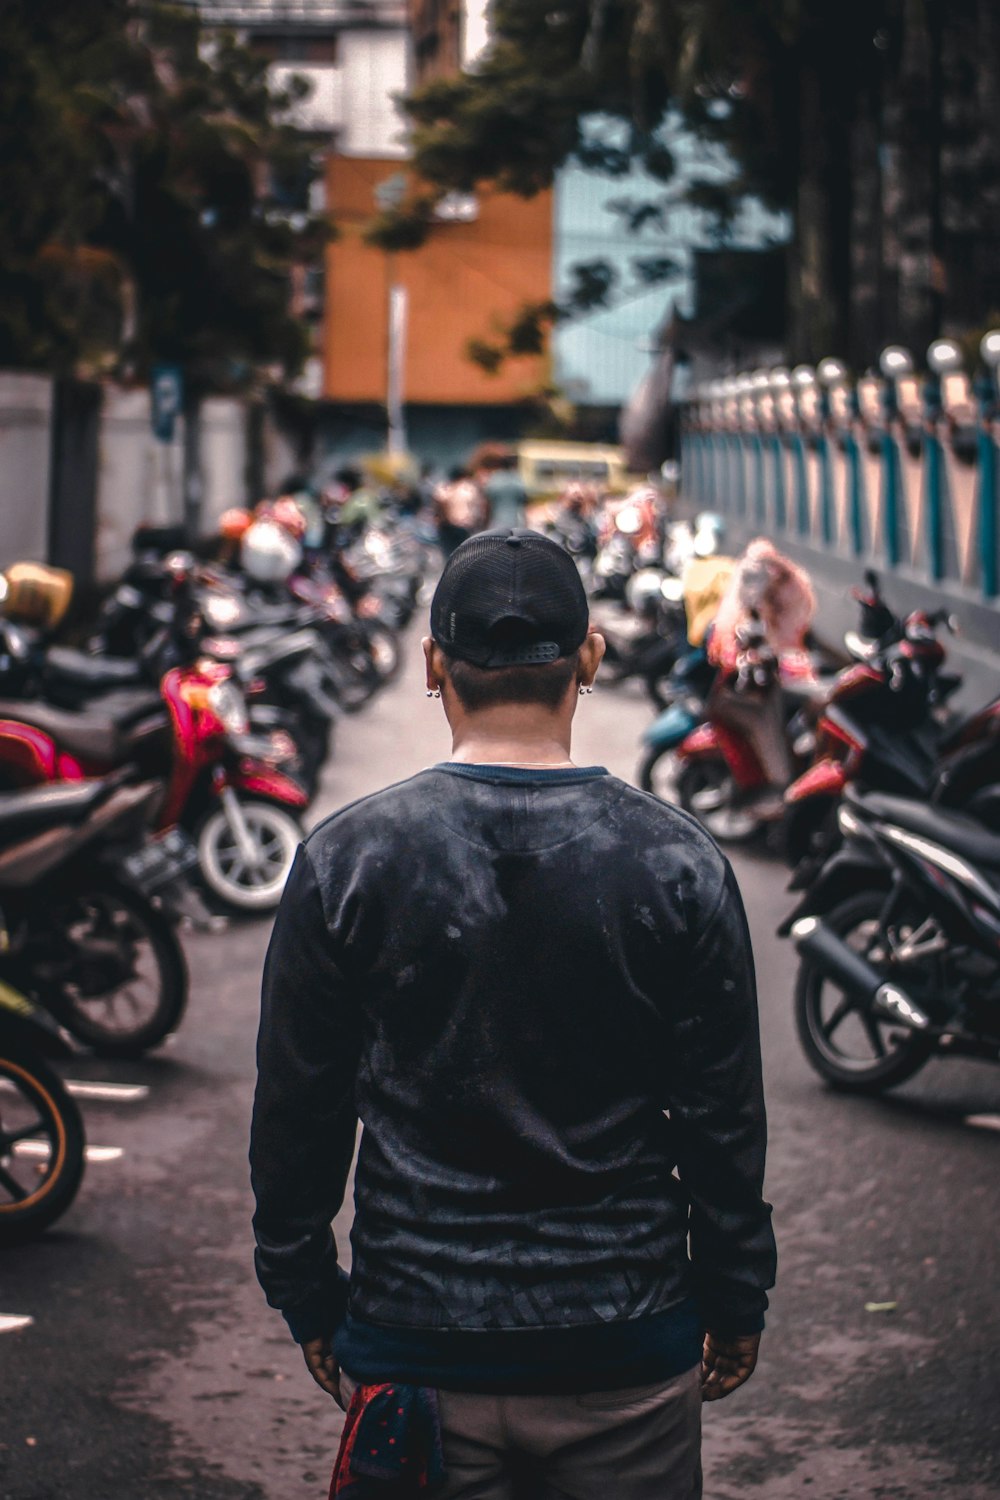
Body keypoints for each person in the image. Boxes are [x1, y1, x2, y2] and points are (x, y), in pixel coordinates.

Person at [250, 529, 776, 1499]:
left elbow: (298, 1112)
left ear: (430, 664)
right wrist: (736, 1296)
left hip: (414, 1350)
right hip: (626, 1351)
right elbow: (722, 1118)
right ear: (590, 658)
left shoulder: (346, 860)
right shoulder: (679, 864)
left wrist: (310, 1300)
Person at [434, 465, 486, 557]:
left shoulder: (445, 487)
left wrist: (442, 518)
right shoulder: (469, 488)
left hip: (447, 526)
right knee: (463, 555)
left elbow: (440, 501)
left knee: (448, 554)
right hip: (464, 525)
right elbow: (479, 506)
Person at [482, 451, 528, 530]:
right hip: (515, 521)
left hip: (496, 520)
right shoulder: (517, 479)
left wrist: (486, 522)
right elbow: (524, 501)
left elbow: (488, 503)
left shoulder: (494, 479)